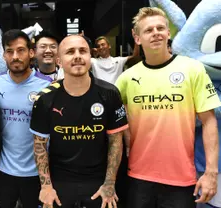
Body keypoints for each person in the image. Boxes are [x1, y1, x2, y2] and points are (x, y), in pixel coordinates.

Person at [115, 7, 220, 208]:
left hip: (181, 179)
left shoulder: (192, 69)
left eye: (160, 28)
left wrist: (210, 173)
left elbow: (209, 122)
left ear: (168, 33)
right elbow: (114, 122)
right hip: (139, 177)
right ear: (137, 38)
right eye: (148, 30)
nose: (155, 33)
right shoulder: (127, 78)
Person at [30, 34, 128, 208]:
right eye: (70, 52)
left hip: (99, 183)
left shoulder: (109, 93)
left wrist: (110, 184)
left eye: (82, 51)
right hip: (60, 183)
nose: (77, 56)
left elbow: (115, 141)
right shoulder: (45, 99)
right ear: (59, 60)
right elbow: (40, 145)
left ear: (90, 56)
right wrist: (46, 187)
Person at [0, 29, 51, 208]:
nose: (15, 56)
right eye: (10, 51)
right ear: (4, 55)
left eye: (20, 50)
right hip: (3, 171)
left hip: (37, 173)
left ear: (31, 53)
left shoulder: (47, 85)